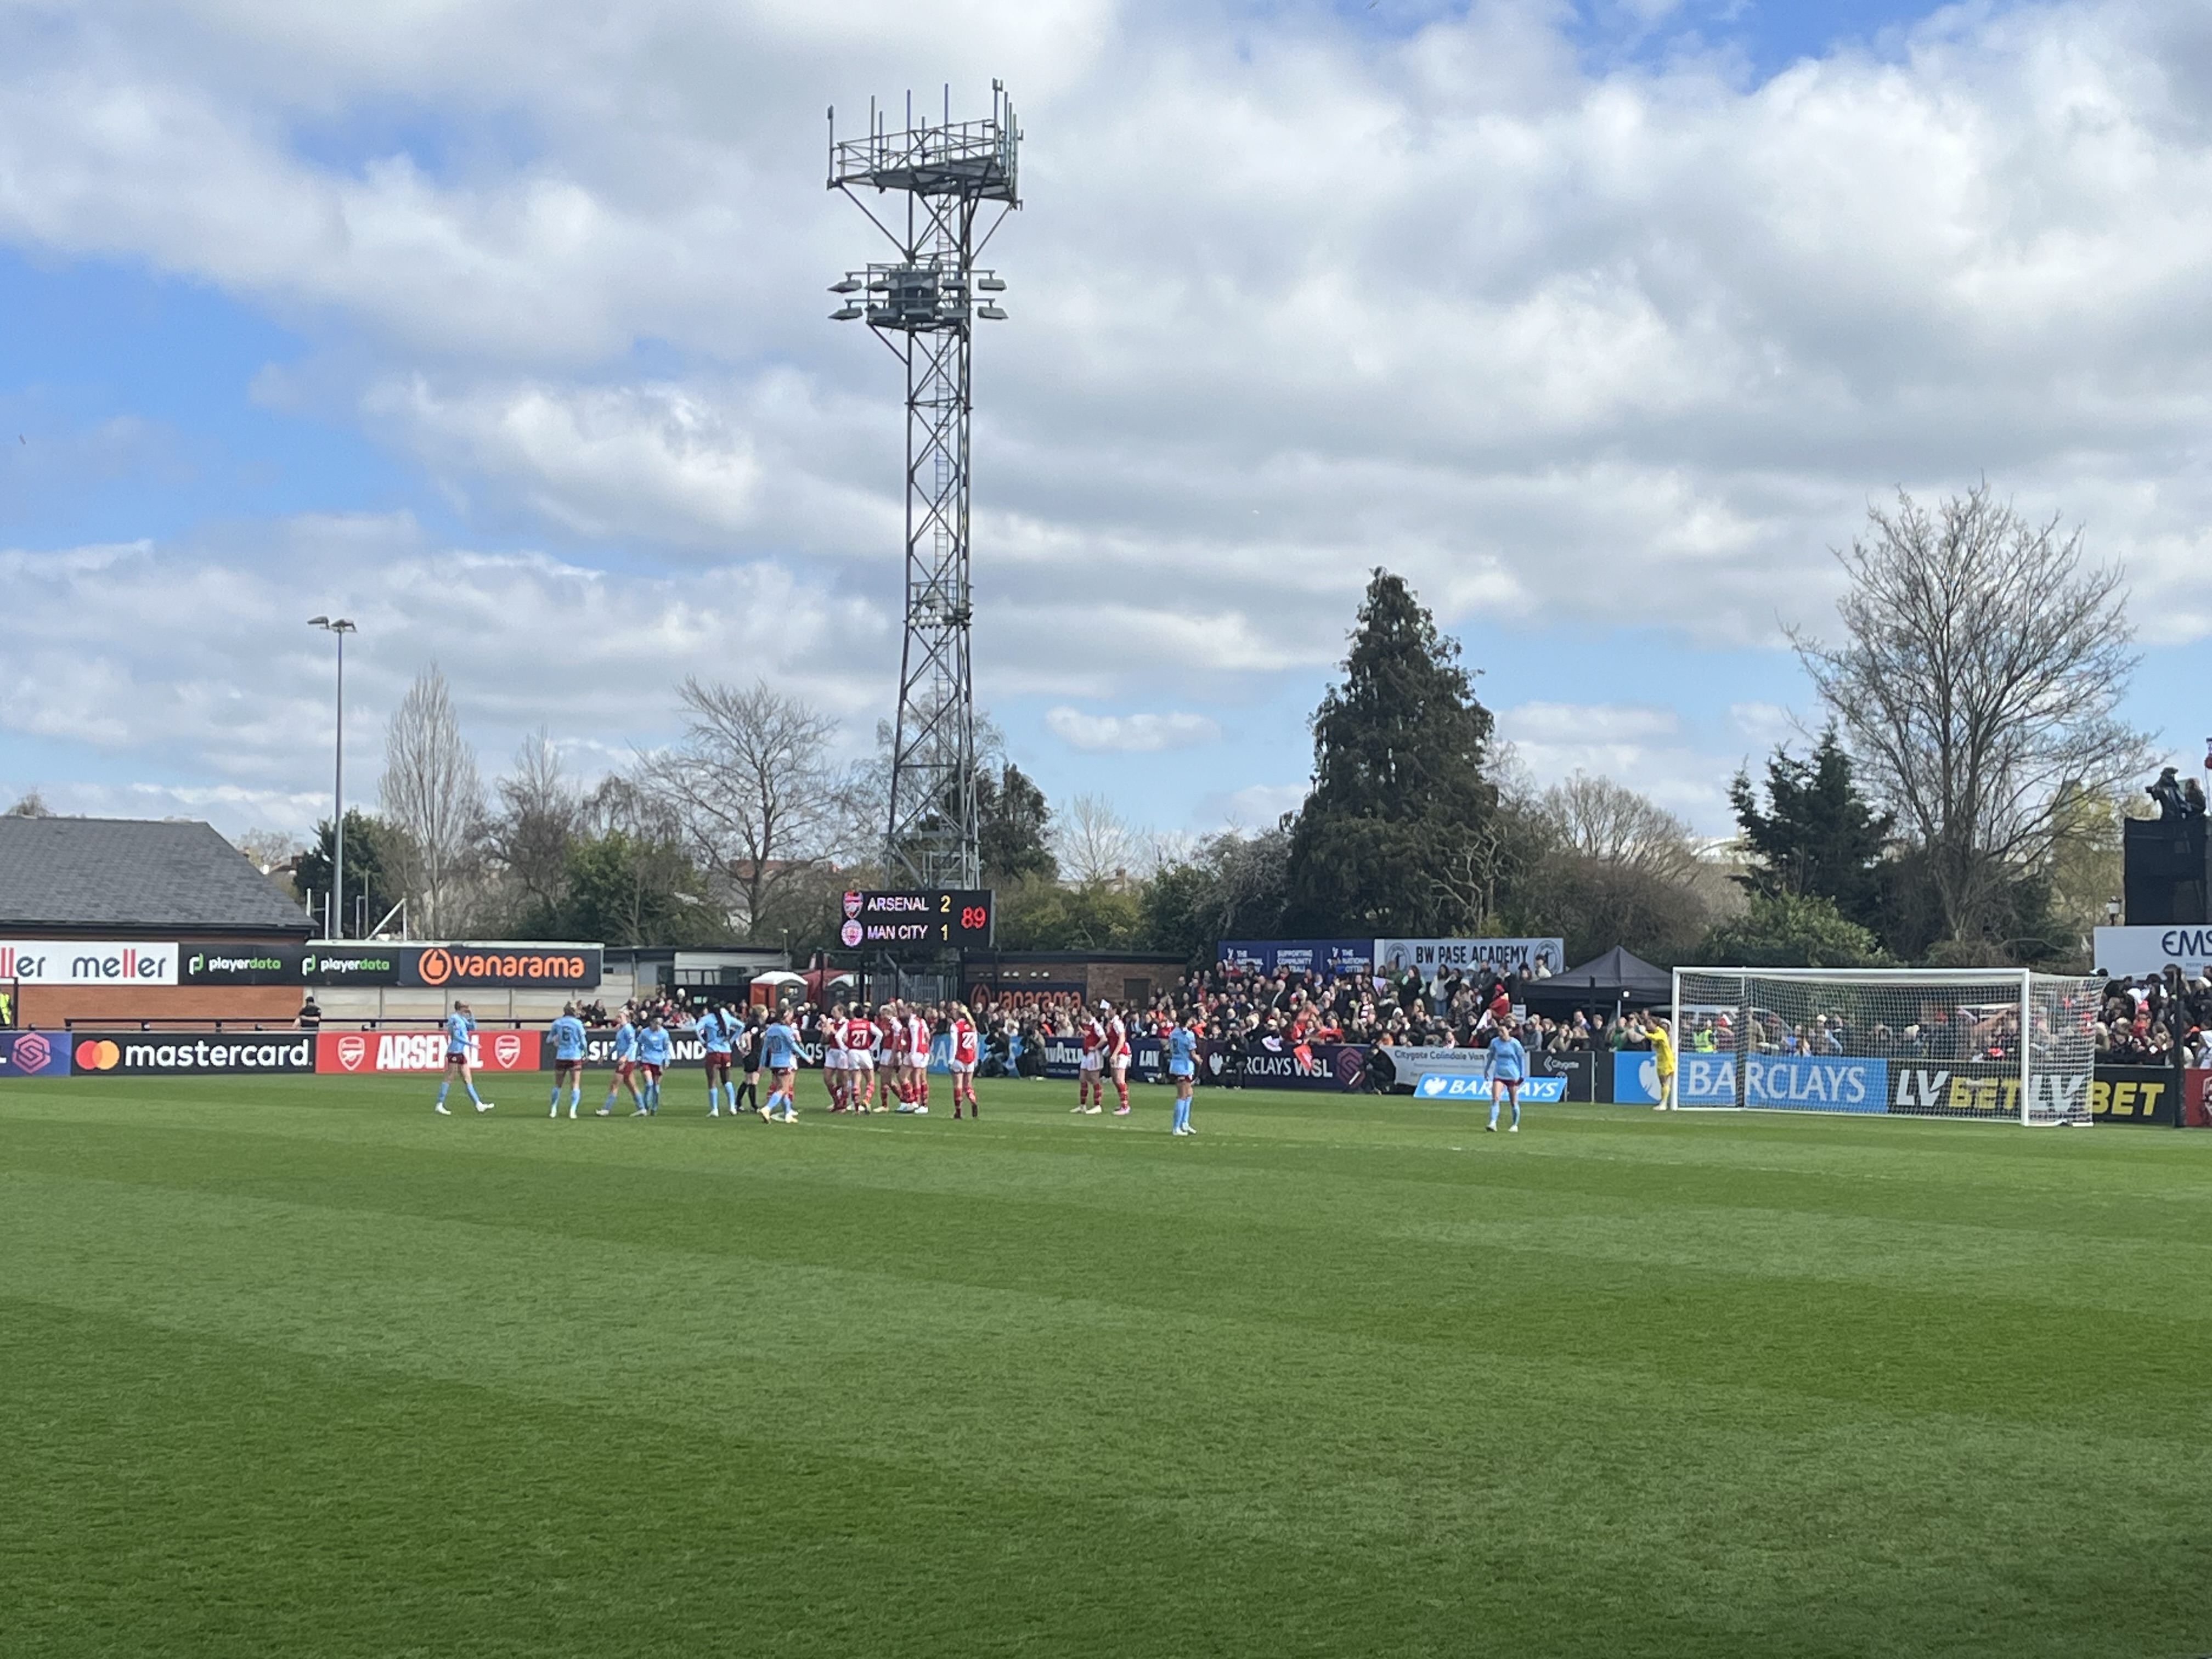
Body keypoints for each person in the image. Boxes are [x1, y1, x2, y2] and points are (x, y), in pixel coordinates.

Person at [433, 1000, 494, 1116]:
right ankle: (439, 1104)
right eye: (465, 1008)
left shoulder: (462, 1019)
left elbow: (473, 1027)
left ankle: (478, 1104)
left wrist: (471, 1015)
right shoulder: (454, 1019)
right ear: (460, 1008)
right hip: (454, 1052)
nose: (467, 1009)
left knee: (467, 1078)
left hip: (460, 1053)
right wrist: (471, 1044)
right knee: (450, 1077)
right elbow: (455, 1036)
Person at [1485, 1017, 1527, 1133]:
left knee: (1513, 1101)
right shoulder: (1495, 1042)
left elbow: (1521, 1059)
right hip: (1499, 1073)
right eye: (1499, 1032)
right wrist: (1487, 1069)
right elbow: (1491, 1056)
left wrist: (1522, 1075)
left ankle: (1515, 1125)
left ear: (1508, 1031)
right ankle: (1493, 1123)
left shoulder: (1515, 1044)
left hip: (1512, 1074)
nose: (1500, 1034)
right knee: (1495, 1098)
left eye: (1502, 1032)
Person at [598, 1007, 642, 1116]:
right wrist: (607, 1055)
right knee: (631, 1085)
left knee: (614, 1084)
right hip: (625, 1060)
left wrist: (625, 1057)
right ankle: (642, 1108)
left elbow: (632, 1045)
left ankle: (606, 1109)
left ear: (626, 1018)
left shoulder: (628, 1029)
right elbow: (617, 1045)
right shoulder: (621, 1029)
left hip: (626, 1061)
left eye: (620, 1016)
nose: (618, 1018)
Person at [759, 1008, 800, 1122]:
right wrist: (806, 1057)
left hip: (774, 1062)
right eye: (789, 1016)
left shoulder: (771, 1030)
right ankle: (767, 1108)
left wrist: (762, 1064)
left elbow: (764, 1049)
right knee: (783, 1089)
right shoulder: (786, 1030)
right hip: (784, 1062)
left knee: (781, 1088)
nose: (791, 1018)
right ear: (783, 1018)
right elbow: (794, 1047)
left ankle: (788, 1114)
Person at [548, 1001, 587, 1119]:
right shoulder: (578, 1024)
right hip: (574, 1056)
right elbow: (583, 1042)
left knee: (558, 1084)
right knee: (575, 1084)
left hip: (561, 1055)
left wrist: (555, 1040)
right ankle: (572, 1111)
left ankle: (553, 1109)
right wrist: (585, 1053)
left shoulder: (557, 1023)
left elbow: (549, 1039)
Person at [697, 1002, 735, 1116]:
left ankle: (715, 1109)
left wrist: (703, 1042)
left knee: (712, 1080)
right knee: (726, 1079)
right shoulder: (726, 1017)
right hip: (726, 1051)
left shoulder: (707, 1019)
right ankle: (732, 1107)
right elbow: (741, 1026)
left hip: (714, 1051)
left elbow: (697, 1029)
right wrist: (732, 1040)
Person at [1167, 1014, 1199, 1136]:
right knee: (1182, 1095)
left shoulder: (1173, 1033)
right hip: (1184, 1066)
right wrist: (1199, 1059)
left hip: (1176, 1063)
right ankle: (1176, 1127)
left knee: (1189, 1094)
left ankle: (1185, 1122)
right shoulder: (1189, 1035)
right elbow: (1192, 1053)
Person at [949, 1001, 980, 1119]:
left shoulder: (956, 1026)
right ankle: (972, 1099)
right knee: (968, 1085)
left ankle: (958, 1112)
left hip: (959, 1058)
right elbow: (975, 1044)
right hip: (970, 1059)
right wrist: (975, 1059)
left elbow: (954, 1044)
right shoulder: (972, 1026)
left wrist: (951, 1060)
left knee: (958, 1086)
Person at [635, 1013, 671, 1115]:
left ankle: (654, 1107)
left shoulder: (664, 1034)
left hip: (658, 1061)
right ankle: (644, 1106)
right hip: (646, 1059)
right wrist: (639, 1056)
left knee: (656, 1088)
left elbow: (666, 1048)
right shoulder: (645, 1033)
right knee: (649, 1084)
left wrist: (667, 1060)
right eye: (657, 1023)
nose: (658, 1026)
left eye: (660, 1024)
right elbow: (639, 1044)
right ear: (652, 1023)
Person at [1073, 1003, 1105, 1114]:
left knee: (1094, 1078)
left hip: (1094, 1055)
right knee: (1083, 1078)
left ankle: (1098, 1105)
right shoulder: (1089, 1025)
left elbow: (1104, 1039)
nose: (1082, 1014)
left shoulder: (1096, 1025)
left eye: (1083, 1012)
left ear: (1089, 1013)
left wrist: (1095, 1048)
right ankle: (1083, 1105)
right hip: (1086, 1054)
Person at [844, 1003, 877, 1111]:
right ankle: (867, 1100)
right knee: (871, 1079)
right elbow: (880, 1034)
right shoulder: (868, 1024)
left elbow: (838, 1036)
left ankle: (856, 1106)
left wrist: (845, 1048)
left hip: (853, 1052)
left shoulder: (849, 1024)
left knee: (856, 1079)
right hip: (864, 1052)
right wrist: (873, 1047)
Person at [1641, 1009, 1677, 1110]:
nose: (1648, 1026)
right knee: (1663, 1082)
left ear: (1655, 1023)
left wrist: (1644, 1033)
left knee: (1664, 1081)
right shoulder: (1657, 1032)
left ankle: (1664, 1103)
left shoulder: (1660, 1032)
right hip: (1662, 1060)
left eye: (1649, 1023)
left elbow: (1656, 1038)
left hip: (1666, 1060)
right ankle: (1664, 1102)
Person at [1105, 1001, 1132, 1115]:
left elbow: (1122, 1039)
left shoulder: (1117, 1023)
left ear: (1115, 1010)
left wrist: (1115, 1054)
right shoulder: (1112, 1023)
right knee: (1116, 1080)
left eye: (1110, 1009)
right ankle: (1123, 1104)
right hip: (1115, 1053)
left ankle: (1125, 1106)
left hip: (1121, 1053)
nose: (1107, 1012)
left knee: (1120, 1080)